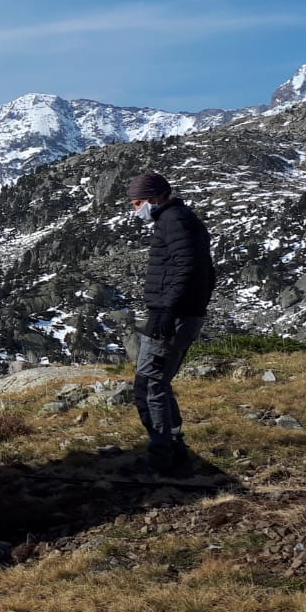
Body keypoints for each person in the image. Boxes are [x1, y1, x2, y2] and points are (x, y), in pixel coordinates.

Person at [127, 172, 215, 476]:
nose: (136, 209)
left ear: (153, 198)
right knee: (157, 383)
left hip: (173, 316)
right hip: (182, 313)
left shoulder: (174, 221)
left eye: (137, 203)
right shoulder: (180, 218)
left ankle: (160, 458)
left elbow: (185, 267)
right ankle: (173, 449)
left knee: (149, 384)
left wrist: (167, 310)